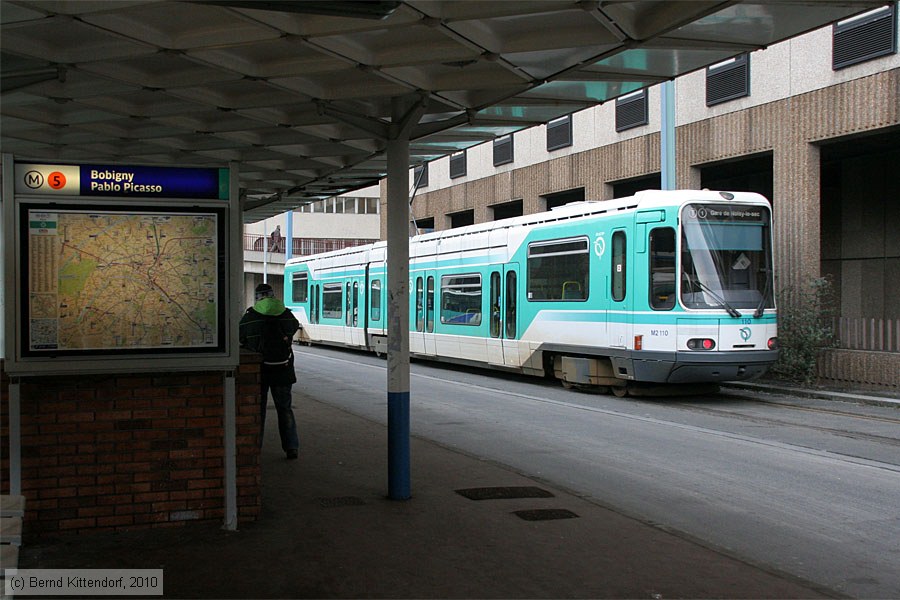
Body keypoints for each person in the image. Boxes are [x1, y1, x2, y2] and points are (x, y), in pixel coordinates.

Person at [239, 282, 300, 459]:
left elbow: (240, 336)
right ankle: (291, 447)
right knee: (285, 408)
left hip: (260, 369)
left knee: (258, 410)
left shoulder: (250, 316)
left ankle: (256, 446)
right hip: (283, 368)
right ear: (272, 295)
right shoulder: (286, 314)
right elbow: (294, 327)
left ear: (257, 297)